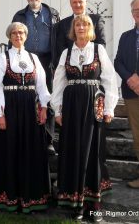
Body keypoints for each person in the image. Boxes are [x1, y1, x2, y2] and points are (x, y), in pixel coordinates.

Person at [51, 15, 118, 222]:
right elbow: (59, 83)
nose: (81, 27)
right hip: (71, 107)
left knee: (92, 152)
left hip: (92, 105)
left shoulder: (99, 50)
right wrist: (58, 110)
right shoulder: (66, 52)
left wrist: (109, 107)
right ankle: (76, 203)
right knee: (73, 150)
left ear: (90, 28)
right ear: (73, 28)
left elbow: (109, 79)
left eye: (85, 24)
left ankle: (93, 203)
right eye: (77, 24)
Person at [0, 22, 51, 213]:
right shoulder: (2, 58)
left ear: (26, 36)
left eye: (21, 33)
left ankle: (31, 197)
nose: (18, 36)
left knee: (31, 150)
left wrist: (44, 107)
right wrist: (0, 114)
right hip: (10, 109)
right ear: (9, 36)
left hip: (30, 109)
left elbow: (42, 86)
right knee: (8, 149)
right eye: (14, 33)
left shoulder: (34, 58)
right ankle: (8, 197)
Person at [12, 0, 60, 154]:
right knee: (27, 98)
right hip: (27, 60)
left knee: (49, 99)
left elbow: (59, 39)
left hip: (48, 61)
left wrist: (57, 62)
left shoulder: (53, 14)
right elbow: (14, 38)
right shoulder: (19, 15)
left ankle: (48, 140)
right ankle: (29, 137)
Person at [114, 0, 139, 189]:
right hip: (131, 94)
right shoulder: (125, 37)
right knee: (137, 136)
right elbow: (118, 62)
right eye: (135, 10)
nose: (137, 13)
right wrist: (130, 78)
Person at [54, 0, 106, 69]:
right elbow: (61, 48)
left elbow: (101, 43)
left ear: (86, 2)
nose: (77, 5)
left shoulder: (96, 20)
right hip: (71, 69)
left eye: (80, 2)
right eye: (74, 2)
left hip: (93, 68)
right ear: (70, 4)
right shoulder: (62, 24)